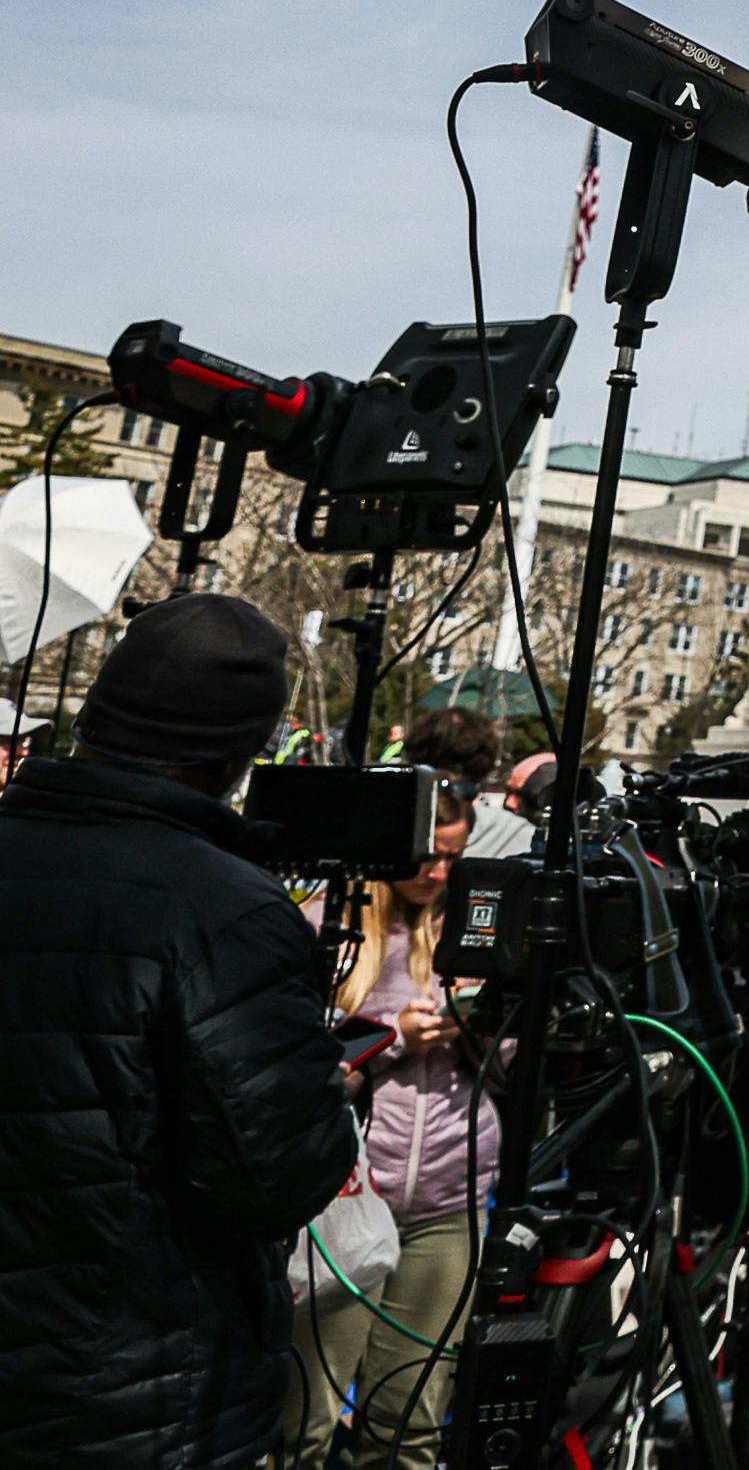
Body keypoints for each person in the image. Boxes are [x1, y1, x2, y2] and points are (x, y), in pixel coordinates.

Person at [0, 593, 361, 1468]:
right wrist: (325, 1088)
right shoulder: (224, 909)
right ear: (241, 754)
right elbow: (276, 1174)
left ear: (90, 720)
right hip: (126, 1396)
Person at [285, 791, 497, 1469]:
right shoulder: (327, 926)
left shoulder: (474, 928)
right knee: (303, 1423)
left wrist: (482, 1028)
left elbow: (516, 1072)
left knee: (409, 1423)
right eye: (427, 856)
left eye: (454, 858)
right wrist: (396, 1038)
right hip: (343, 1200)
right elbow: (295, 1062)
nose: (438, 872)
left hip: (448, 1201)